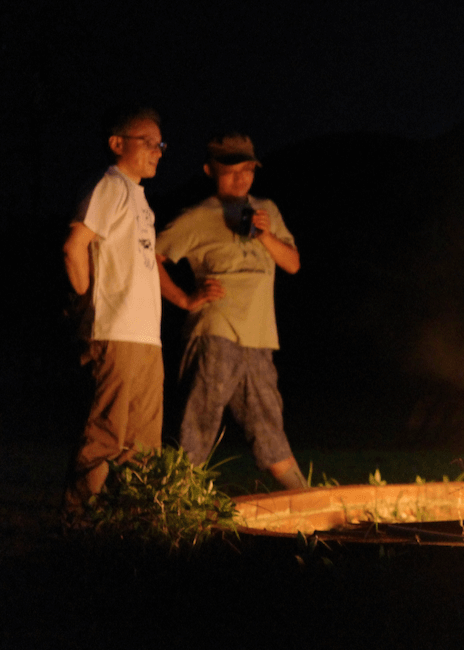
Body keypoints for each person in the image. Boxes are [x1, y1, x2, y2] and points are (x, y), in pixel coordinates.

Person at [155, 133, 307, 490]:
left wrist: (265, 236)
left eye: (248, 170)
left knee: (269, 429)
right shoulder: (197, 216)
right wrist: (184, 299)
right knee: (198, 426)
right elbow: (150, 257)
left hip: (259, 339)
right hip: (214, 333)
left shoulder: (265, 211)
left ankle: (308, 498)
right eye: (231, 171)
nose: (241, 178)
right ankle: (173, 504)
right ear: (210, 171)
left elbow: (293, 264)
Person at [61, 106, 166, 510]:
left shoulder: (139, 198)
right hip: (114, 330)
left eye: (161, 144)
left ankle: (131, 523)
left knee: (143, 443)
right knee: (105, 434)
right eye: (149, 142)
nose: (158, 151)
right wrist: (85, 296)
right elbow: (74, 246)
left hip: (145, 337)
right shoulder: (108, 185)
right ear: (117, 144)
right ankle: (78, 519)